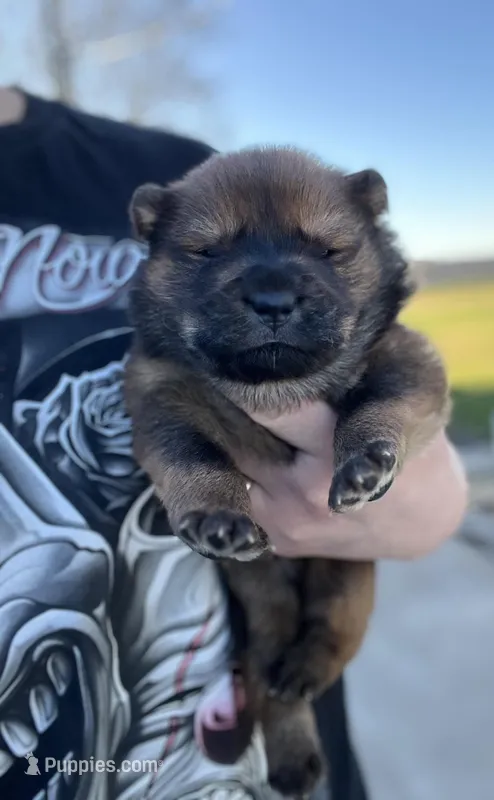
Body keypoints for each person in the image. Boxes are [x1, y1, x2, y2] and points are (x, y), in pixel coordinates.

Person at [0, 86, 467, 800]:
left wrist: (387, 450)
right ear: (150, 232)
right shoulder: (161, 361)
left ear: (371, 227)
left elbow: (415, 395)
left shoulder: (172, 160)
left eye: (330, 249)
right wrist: (207, 497)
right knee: (268, 615)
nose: (275, 291)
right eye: (207, 251)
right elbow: (166, 429)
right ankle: (288, 721)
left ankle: (298, 706)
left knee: (332, 619)